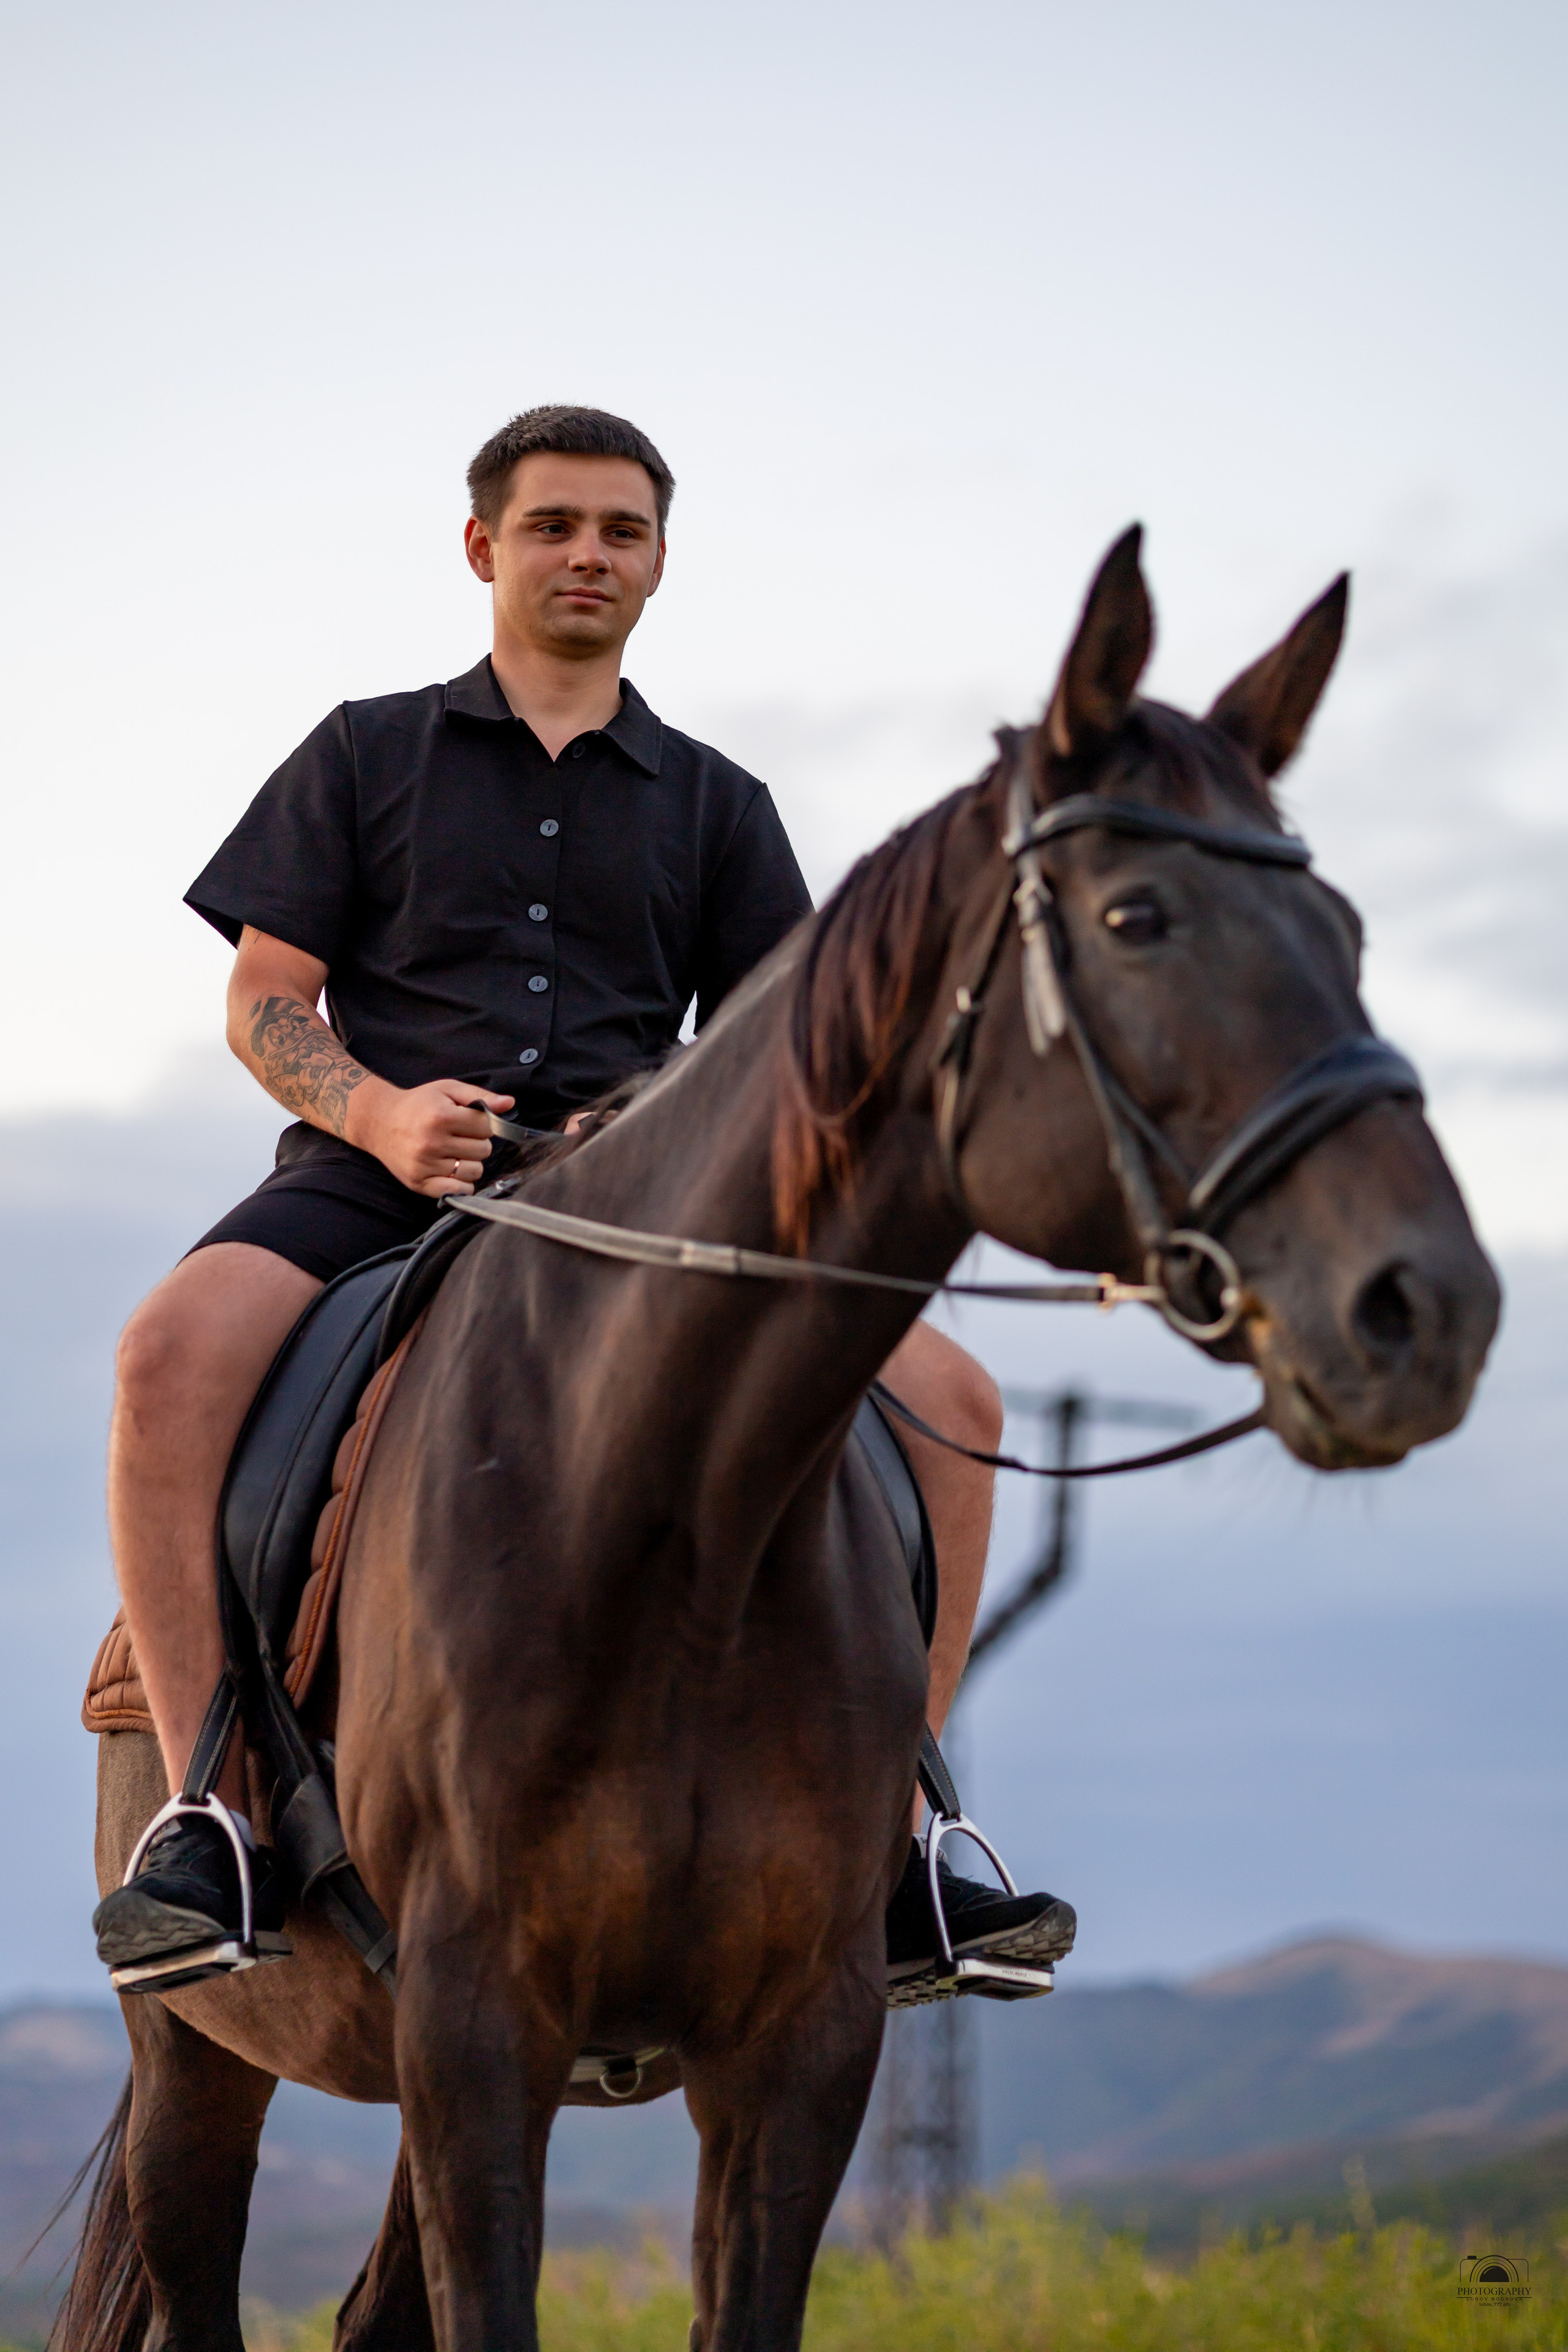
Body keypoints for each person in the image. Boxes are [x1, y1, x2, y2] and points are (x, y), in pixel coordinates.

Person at [92, 405, 1076, 1995]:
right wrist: (378, 1110)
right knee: (164, 1359)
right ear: (485, 549)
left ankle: (906, 1837)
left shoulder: (717, 804)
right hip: (378, 1180)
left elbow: (797, 1057)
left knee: (954, 1404)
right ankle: (208, 1809)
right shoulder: (363, 750)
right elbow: (266, 995)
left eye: (621, 531)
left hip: (647, 1221)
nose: (587, 554)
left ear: (661, 565)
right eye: (554, 525)